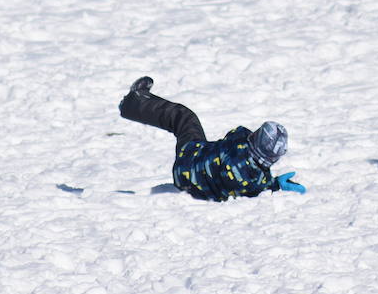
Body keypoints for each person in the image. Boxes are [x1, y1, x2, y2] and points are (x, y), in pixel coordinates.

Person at [117, 76, 305, 201]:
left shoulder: (241, 150)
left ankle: (133, 102)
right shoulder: (254, 178)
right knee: (186, 122)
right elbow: (257, 187)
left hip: (190, 158)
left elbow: (235, 133)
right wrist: (276, 184)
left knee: (184, 117)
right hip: (193, 175)